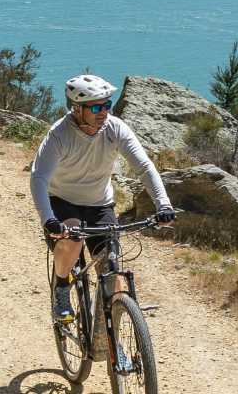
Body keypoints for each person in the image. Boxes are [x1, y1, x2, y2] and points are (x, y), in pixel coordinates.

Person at [30, 73, 175, 324]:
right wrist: (48, 219)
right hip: (63, 202)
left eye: (107, 105)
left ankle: (113, 341)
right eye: (96, 107)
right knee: (72, 241)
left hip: (99, 204)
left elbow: (144, 167)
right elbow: (39, 178)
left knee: (112, 272)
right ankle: (61, 287)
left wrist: (163, 204)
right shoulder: (59, 135)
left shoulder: (115, 128)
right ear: (76, 109)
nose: (103, 112)